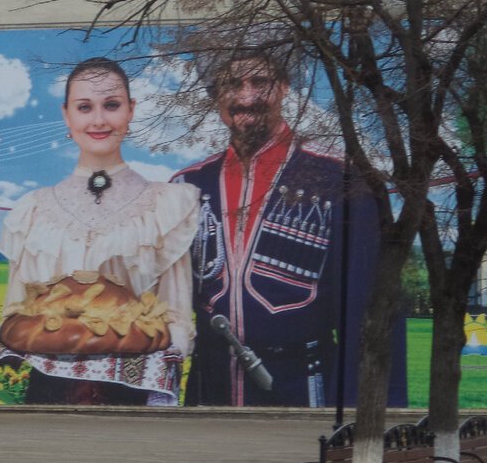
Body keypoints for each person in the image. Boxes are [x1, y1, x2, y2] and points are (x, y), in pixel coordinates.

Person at [171, 39, 406, 407]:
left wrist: (363, 416)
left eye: (260, 82)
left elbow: (370, 312)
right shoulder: (187, 186)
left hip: (303, 390)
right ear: (216, 96)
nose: (246, 98)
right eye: (232, 85)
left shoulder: (340, 178)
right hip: (208, 390)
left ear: (283, 87)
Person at [0, 56, 200, 405]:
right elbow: (14, 318)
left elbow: (177, 320)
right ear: (67, 115)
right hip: (47, 402)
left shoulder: (166, 206)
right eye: (84, 107)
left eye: (111, 105)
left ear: (130, 111)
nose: (98, 120)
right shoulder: (32, 212)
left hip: (132, 403)